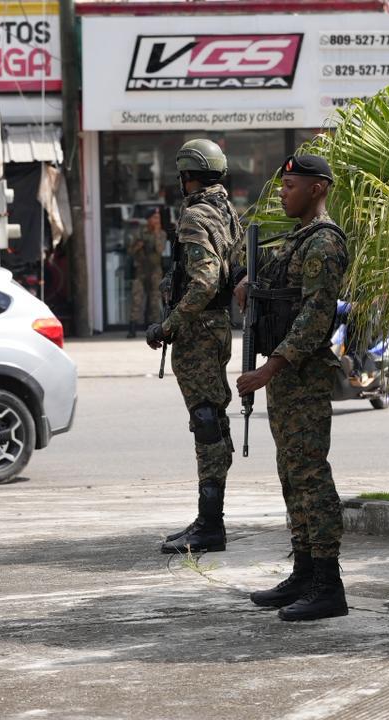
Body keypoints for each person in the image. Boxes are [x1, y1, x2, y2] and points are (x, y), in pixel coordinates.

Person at [236, 154, 349, 622]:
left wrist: (270, 368)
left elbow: (316, 316)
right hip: (285, 377)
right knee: (291, 474)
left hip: (302, 375)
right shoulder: (296, 240)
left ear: (317, 188)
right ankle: (304, 572)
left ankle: (328, 583)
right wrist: (249, 285)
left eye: (291, 185)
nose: (282, 193)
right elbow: (280, 295)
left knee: (311, 476)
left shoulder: (324, 241)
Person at [146, 139, 242, 554]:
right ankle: (208, 520)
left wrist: (169, 325)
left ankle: (210, 525)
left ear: (187, 175)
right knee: (213, 419)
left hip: (198, 331)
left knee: (206, 421)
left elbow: (204, 281)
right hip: (216, 327)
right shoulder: (226, 210)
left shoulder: (196, 215)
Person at [127, 208, 167, 339]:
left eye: (158, 218)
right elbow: (130, 251)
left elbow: (160, 250)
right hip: (141, 270)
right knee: (137, 299)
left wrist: (156, 233)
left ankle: (153, 328)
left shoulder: (161, 234)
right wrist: (137, 247)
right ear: (148, 219)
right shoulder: (139, 233)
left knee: (154, 300)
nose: (157, 220)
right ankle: (132, 328)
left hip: (155, 271)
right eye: (154, 218)